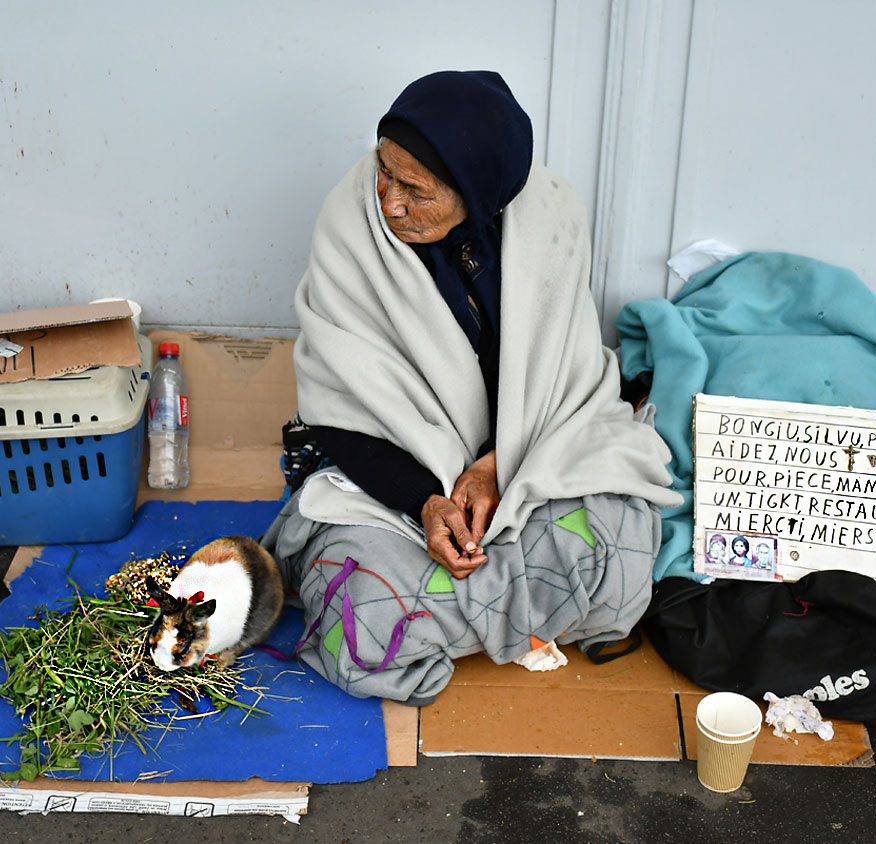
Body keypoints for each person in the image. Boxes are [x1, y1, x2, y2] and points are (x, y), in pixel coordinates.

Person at [262, 70, 680, 704]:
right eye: (385, 172)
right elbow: (339, 407)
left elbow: (560, 379)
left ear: (479, 194)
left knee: (617, 541)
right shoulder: (352, 226)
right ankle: (532, 613)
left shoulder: (551, 214)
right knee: (361, 611)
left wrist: (495, 465)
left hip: (530, 452)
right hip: (392, 477)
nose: (389, 202)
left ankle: (461, 616)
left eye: (416, 190)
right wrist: (427, 503)